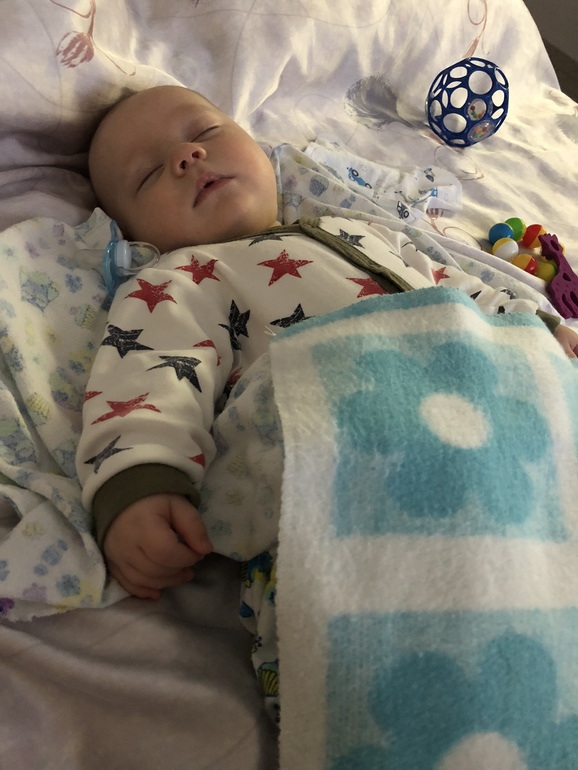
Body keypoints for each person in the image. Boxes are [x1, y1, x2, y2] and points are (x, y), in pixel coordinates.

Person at [76, 84, 578, 715]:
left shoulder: (359, 231)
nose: (187, 157)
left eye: (204, 133)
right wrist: (139, 482)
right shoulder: (177, 278)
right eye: (150, 174)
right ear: (131, 233)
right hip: (358, 459)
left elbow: (457, 290)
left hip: (499, 413)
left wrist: (534, 329)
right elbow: (147, 377)